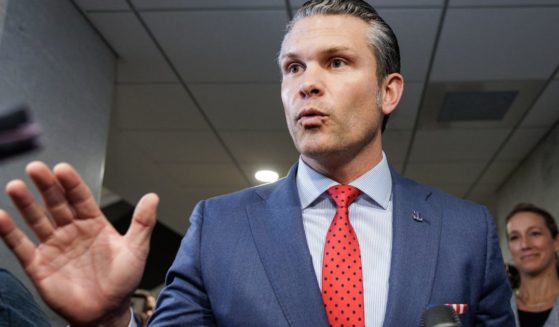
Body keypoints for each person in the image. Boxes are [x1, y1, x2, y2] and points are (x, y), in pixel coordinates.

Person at [0, 1, 514, 326]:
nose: (306, 83)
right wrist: (112, 320)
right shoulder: (218, 226)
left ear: (388, 90)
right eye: (294, 67)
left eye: (336, 62)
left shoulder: (465, 230)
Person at [506, 203, 559, 326]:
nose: (525, 245)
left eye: (535, 233)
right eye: (514, 237)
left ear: (556, 242)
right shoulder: (495, 308)